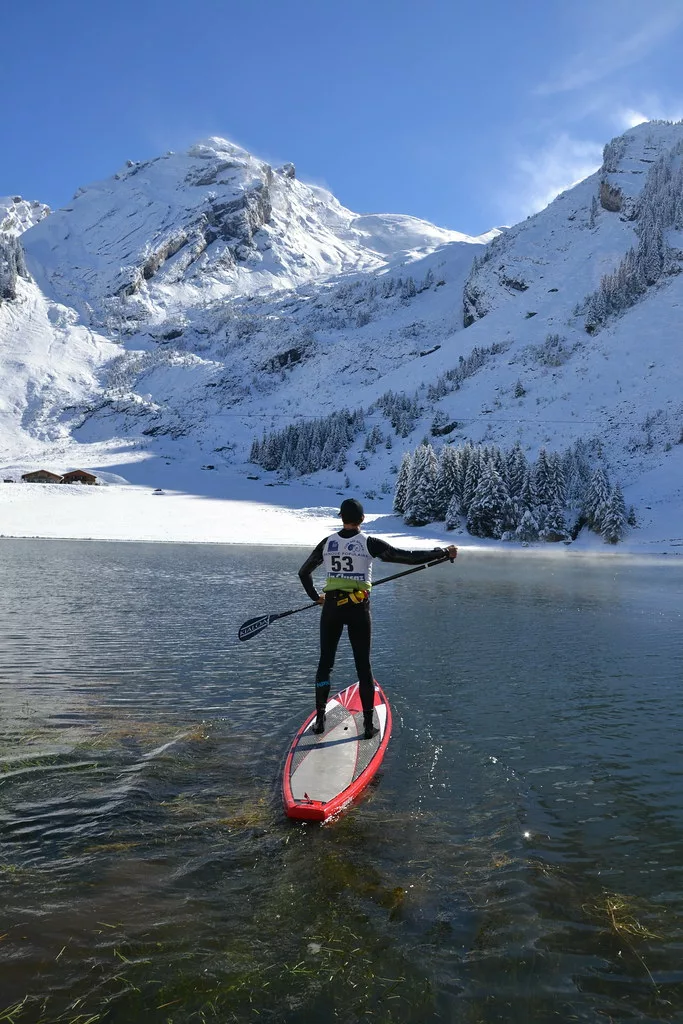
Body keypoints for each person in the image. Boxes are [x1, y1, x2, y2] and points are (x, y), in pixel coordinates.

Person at [298, 498, 457, 739]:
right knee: (363, 667)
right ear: (362, 519)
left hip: (331, 608)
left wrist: (316, 597)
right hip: (358, 608)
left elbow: (304, 572)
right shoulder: (369, 543)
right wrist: (442, 552)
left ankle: (320, 721)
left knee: (325, 665)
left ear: (341, 518)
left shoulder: (327, 543)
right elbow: (406, 557)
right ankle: (368, 726)